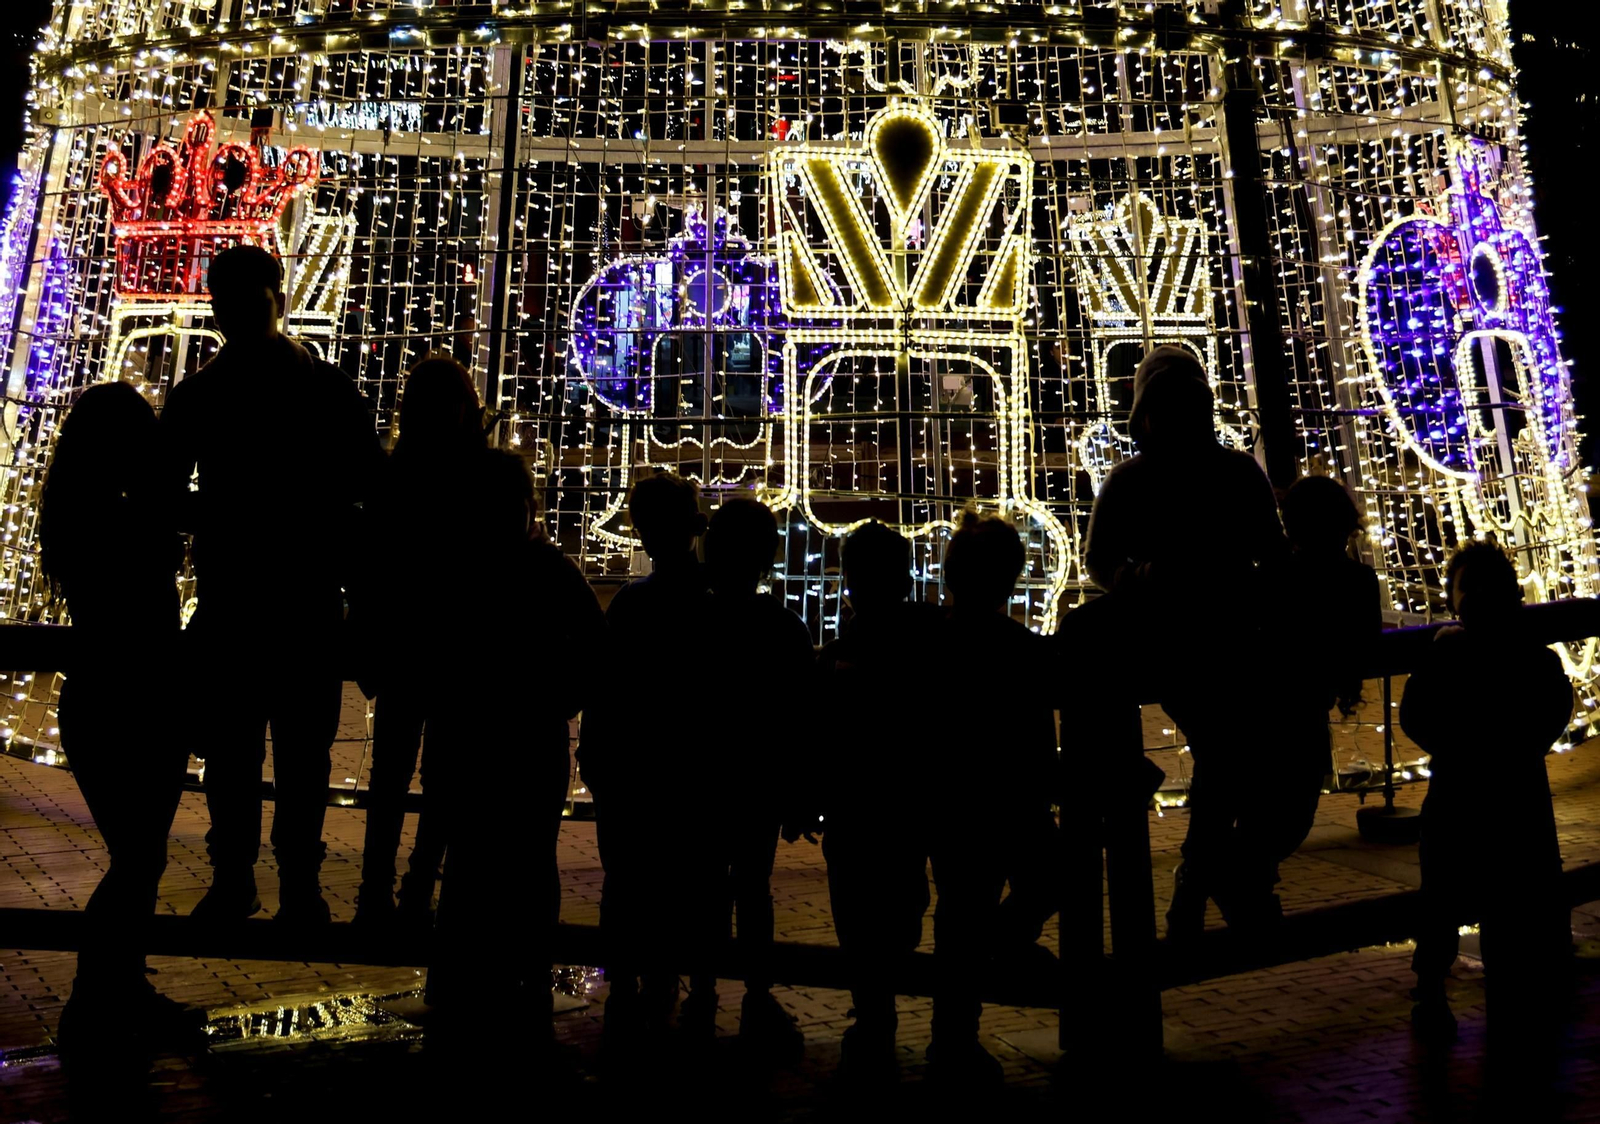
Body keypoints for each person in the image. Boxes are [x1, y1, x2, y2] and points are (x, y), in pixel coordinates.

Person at [161, 243, 383, 924]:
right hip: (301, 596)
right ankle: (288, 882)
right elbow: (370, 486)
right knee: (290, 754)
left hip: (244, 595)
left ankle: (246, 878)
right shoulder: (324, 388)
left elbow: (163, 493)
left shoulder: (204, 393)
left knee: (247, 754)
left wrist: (216, 517)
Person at [1081, 345, 1287, 938]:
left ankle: (1207, 881)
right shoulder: (1142, 479)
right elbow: (1102, 560)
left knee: (1230, 762)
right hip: (1187, 642)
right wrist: (1140, 580)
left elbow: (1270, 554)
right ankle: (1211, 882)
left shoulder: (1227, 473)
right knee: (1231, 759)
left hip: (1219, 637)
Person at [40, 382, 202, 1052]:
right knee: (139, 856)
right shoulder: (127, 518)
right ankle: (93, 997)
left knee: (140, 856)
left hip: (104, 699)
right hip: (137, 699)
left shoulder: (83, 512)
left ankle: (119, 989)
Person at [424, 451, 606, 1032]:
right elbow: (596, 645)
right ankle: (526, 975)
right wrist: (563, 695)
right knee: (529, 862)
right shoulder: (549, 568)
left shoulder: (458, 567)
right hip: (529, 734)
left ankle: (460, 977)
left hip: (470, 733)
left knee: (471, 859)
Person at [1400, 541, 1571, 1035]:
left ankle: (1433, 988)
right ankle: (1467, 989)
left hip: (1459, 788)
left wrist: (1455, 745)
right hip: (1513, 789)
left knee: (1446, 893)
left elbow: (1415, 716)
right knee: (1493, 889)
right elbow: (1553, 710)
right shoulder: (1534, 658)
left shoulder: (1447, 655)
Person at [577, 470, 711, 1048]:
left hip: (630, 766)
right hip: (685, 768)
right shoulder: (711, 602)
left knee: (624, 882)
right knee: (684, 882)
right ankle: (672, 987)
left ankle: (628, 989)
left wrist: (595, 752)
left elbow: (607, 688)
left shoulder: (632, 604)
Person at [353, 355, 486, 926]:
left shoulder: (395, 474)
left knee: (395, 774)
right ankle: (411, 885)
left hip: (407, 640)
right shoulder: (478, 478)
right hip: (452, 643)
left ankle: (380, 888)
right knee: (440, 778)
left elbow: (371, 562)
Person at [925, 510, 1057, 1084]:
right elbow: (1034, 731)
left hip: (954, 799)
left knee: (960, 905)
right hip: (1012, 799)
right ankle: (1000, 949)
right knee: (1048, 876)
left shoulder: (934, 642)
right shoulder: (1020, 648)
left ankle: (954, 1032)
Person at [682, 498, 811, 1054]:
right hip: (757, 781)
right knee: (754, 889)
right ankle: (756, 997)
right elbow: (801, 716)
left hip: (704, 777)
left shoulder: (692, 624)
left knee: (706, 888)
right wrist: (799, 790)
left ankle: (703, 995)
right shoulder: (782, 627)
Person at [814, 521, 939, 1078]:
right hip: (906, 797)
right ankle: (884, 1006)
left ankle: (873, 1012)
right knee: (901, 898)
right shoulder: (931, 635)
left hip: (859, 801)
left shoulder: (845, 649)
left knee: (858, 903)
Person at [1272, 475, 1381, 865]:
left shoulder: (1274, 579)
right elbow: (1367, 643)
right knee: (1293, 813)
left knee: (1274, 818)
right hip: (1308, 710)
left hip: (1274, 709)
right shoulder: (1359, 581)